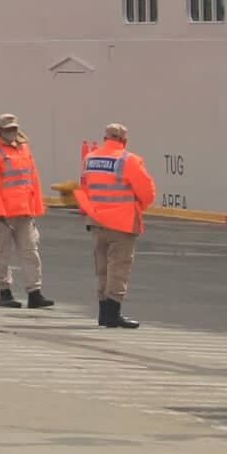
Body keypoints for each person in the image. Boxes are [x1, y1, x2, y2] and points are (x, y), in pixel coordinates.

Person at [76, 121, 156, 329]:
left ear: (105, 139)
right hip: (122, 223)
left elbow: (84, 187)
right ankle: (113, 313)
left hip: (96, 222)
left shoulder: (90, 159)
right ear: (124, 140)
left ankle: (103, 313)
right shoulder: (129, 160)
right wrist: (138, 207)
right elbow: (147, 192)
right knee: (118, 268)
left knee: (102, 269)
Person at [0, 113, 50, 309]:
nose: (12, 132)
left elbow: (32, 178)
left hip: (24, 212)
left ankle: (35, 293)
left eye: (14, 129)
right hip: (2, 215)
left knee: (30, 252)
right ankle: (5, 292)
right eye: (8, 129)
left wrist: (36, 206)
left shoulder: (24, 148)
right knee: (2, 255)